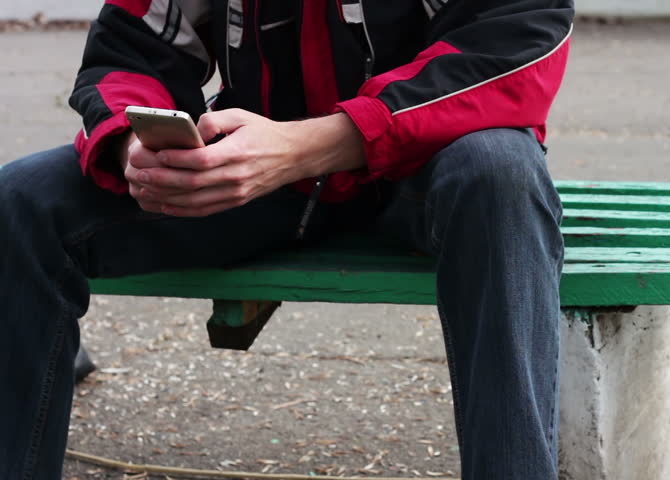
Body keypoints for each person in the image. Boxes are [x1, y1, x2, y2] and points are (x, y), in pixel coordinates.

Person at [0, 0, 574, 478]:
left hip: (430, 162)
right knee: (22, 199)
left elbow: (515, 39)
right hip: (260, 164)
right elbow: (131, 45)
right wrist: (136, 143)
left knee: (501, 174)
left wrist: (318, 142)